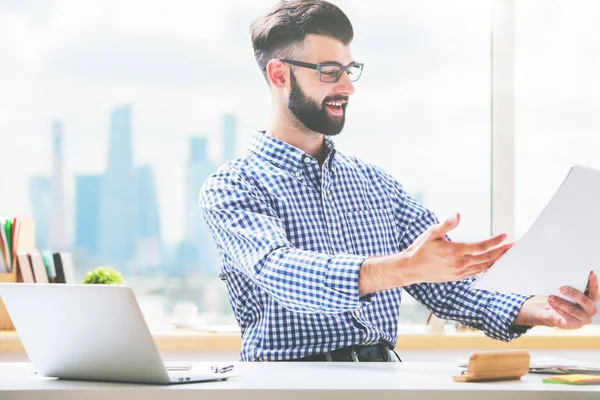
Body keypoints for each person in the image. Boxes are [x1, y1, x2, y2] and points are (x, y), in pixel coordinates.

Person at [199, 0, 599, 362]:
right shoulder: (233, 187)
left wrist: (539, 307)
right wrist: (401, 268)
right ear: (279, 74)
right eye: (329, 72)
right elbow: (280, 271)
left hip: (384, 378)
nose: (348, 86)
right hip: (286, 383)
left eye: (349, 70)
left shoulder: (377, 185)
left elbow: (446, 286)